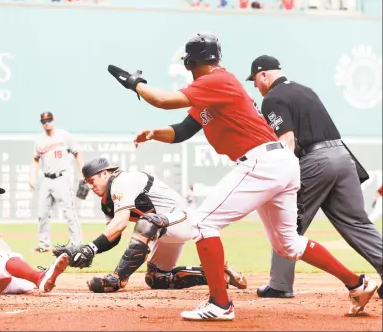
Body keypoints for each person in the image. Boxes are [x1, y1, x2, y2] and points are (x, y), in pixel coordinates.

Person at [105, 32, 379, 320]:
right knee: (288, 243)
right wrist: (153, 133)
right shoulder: (213, 88)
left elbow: (162, 100)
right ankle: (357, 284)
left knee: (202, 223)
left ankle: (220, 304)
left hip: (263, 161)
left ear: (190, 62)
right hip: (279, 162)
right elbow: (183, 130)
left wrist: (135, 84)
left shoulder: (216, 80)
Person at [247, 55, 383, 300]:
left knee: (286, 222)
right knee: (357, 222)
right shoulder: (305, 90)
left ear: (264, 75)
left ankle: (279, 284)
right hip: (343, 156)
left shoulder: (272, 99)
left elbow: (287, 141)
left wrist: (280, 176)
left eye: (255, 79)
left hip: (316, 160)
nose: (255, 85)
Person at [52, 157, 247, 293]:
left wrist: (91, 248)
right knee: (157, 279)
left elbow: (120, 224)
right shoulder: (106, 201)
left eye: (92, 181)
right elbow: (113, 237)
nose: (91, 186)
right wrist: (84, 251)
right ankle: (219, 273)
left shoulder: (122, 181)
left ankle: (117, 279)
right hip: (162, 230)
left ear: (104, 173)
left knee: (147, 220)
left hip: (183, 220)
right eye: (87, 183)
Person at [30, 111, 84, 253]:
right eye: (43, 121)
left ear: (53, 121)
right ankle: (43, 245)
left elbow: (77, 152)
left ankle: (77, 244)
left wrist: (82, 172)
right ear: (41, 123)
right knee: (42, 213)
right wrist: (32, 176)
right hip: (46, 179)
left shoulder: (64, 135)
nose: (46, 123)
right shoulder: (39, 140)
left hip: (62, 178)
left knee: (69, 212)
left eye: (48, 120)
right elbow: (35, 159)